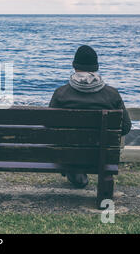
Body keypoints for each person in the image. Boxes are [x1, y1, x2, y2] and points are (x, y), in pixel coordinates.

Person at [49, 45, 131, 188]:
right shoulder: (112, 94)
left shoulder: (61, 94)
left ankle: (75, 172)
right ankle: (79, 174)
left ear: (74, 66)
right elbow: (125, 127)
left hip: (67, 156)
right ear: (96, 67)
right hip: (101, 156)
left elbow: (49, 126)